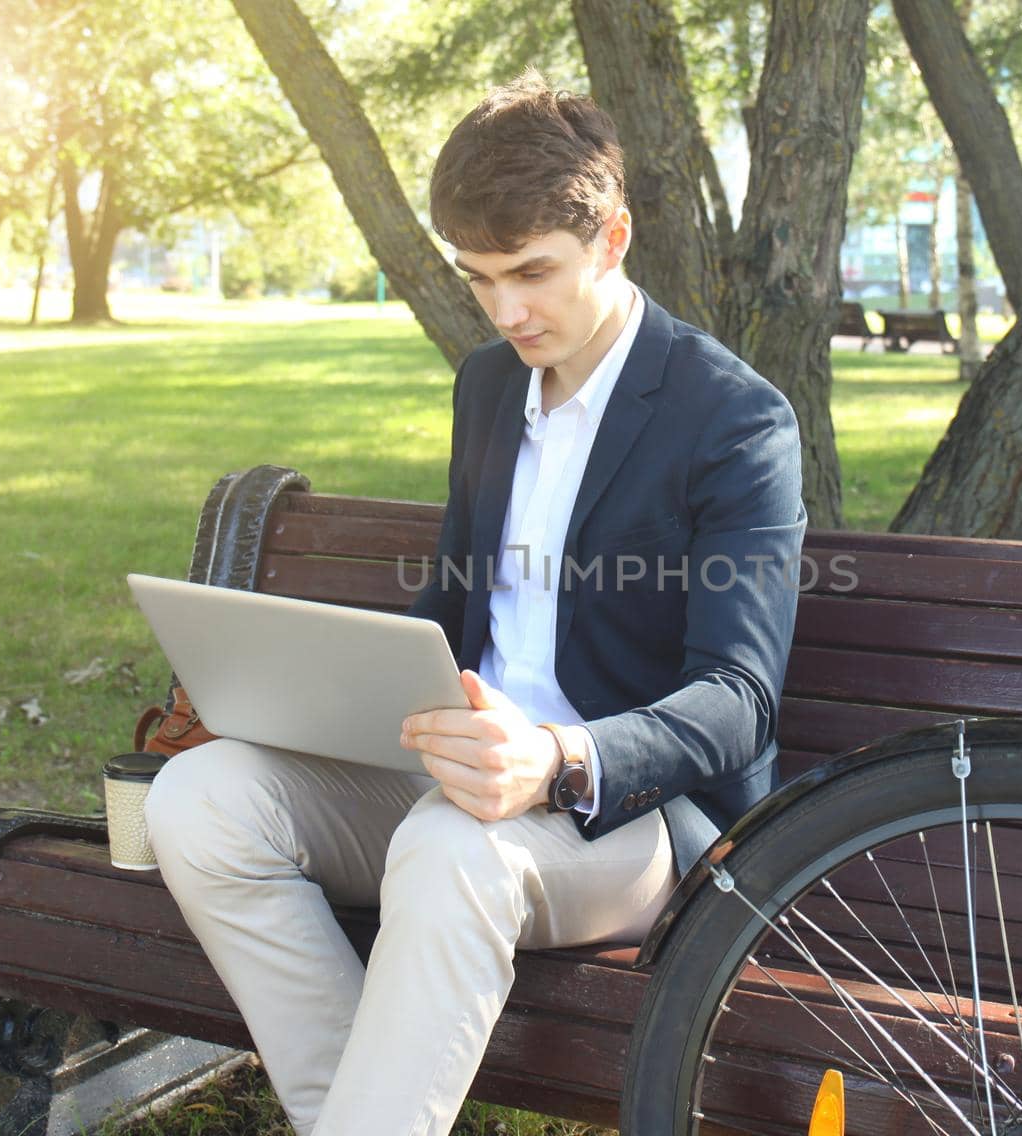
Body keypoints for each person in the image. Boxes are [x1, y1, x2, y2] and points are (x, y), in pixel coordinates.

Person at [144, 71, 805, 1136]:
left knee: (452, 848)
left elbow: (739, 700)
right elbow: (457, 608)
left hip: (626, 821)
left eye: (533, 273)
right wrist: (308, 689)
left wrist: (554, 756)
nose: (506, 311)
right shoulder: (491, 386)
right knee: (202, 798)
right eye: (480, 278)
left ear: (613, 236)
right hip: (451, 777)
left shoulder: (731, 418)